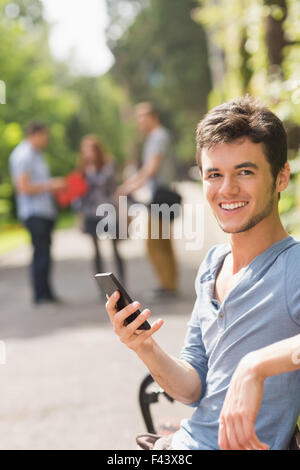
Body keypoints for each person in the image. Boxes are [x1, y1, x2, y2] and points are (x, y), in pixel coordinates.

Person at [106, 96, 300, 450]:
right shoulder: (212, 265)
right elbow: (192, 388)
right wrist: (144, 346)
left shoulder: (294, 267)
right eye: (214, 174)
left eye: (245, 171)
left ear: (281, 177)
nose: (227, 189)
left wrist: (256, 365)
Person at [117, 102, 178, 301]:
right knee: (163, 241)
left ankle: (167, 286)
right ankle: (170, 284)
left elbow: (151, 169)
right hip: (163, 194)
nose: (140, 123)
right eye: (138, 119)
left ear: (153, 117)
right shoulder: (158, 136)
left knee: (154, 244)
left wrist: (128, 186)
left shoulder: (157, 136)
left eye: (143, 118)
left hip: (162, 195)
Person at [9, 122, 65, 305]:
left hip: (45, 211)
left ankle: (47, 293)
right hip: (34, 213)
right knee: (40, 254)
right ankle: (40, 295)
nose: (46, 140)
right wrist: (51, 185)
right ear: (35, 134)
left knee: (46, 253)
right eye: (44, 136)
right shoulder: (23, 155)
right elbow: (23, 187)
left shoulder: (37, 155)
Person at [76, 134, 125, 284]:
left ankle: (121, 282)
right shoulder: (82, 169)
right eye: (84, 150)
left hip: (108, 210)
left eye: (90, 149)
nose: (87, 153)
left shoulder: (108, 165)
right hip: (90, 212)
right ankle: (103, 286)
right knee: (96, 252)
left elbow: (113, 188)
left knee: (115, 249)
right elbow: (79, 194)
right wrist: (80, 217)